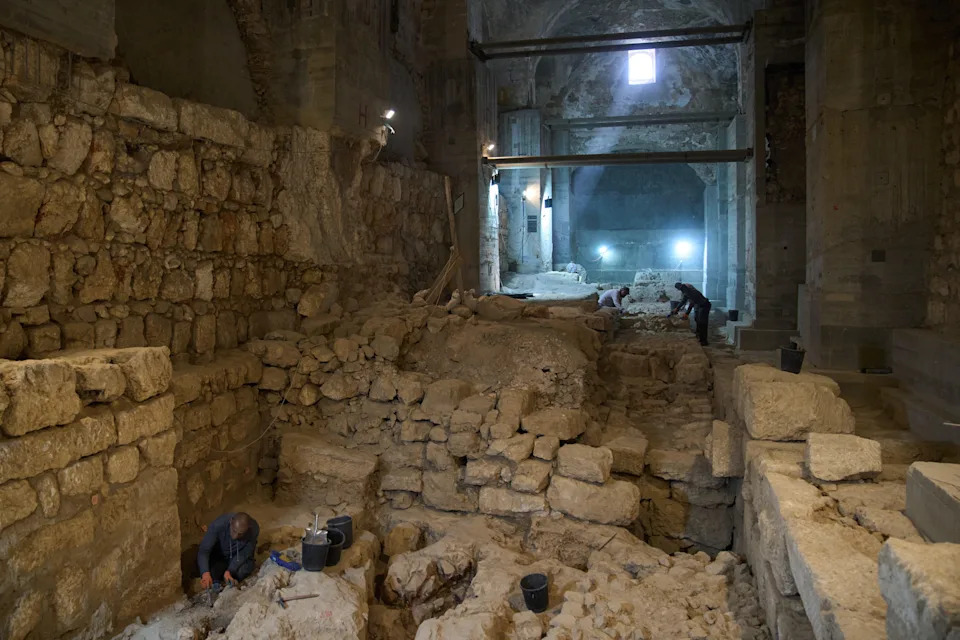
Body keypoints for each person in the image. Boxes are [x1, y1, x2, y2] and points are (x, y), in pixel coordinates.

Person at [198, 512, 260, 590]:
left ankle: (226, 577)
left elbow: (245, 553)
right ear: (231, 522)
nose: (235, 536)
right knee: (210, 570)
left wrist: (230, 570)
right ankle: (217, 579)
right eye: (234, 531)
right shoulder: (218, 525)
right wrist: (205, 573)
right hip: (220, 555)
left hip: (236, 556)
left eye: (240, 534)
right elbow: (204, 550)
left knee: (243, 570)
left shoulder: (253, 529)